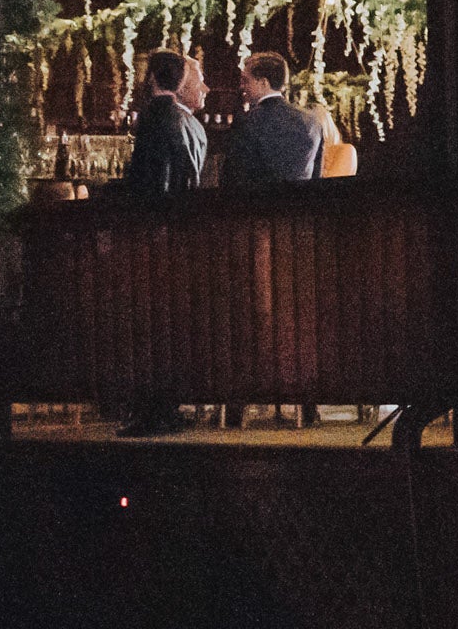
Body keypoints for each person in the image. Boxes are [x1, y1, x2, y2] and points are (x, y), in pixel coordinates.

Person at [113, 48, 204, 436]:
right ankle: (167, 406)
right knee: (170, 323)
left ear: (151, 79)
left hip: (151, 234)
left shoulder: (152, 118)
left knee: (145, 323)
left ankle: (151, 410)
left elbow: (145, 180)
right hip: (183, 234)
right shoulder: (192, 124)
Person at [219, 51, 324, 187]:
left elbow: (232, 176)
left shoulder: (248, 121)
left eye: (246, 80)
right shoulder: (312, 121)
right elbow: (317, 175)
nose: (242, 86)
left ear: (263, 83)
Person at [117, 49, 207, 198]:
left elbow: (148, 176)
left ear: (152, 77)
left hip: (157, 210)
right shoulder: (196, 125)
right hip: (187, 209)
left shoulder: (152, 115)